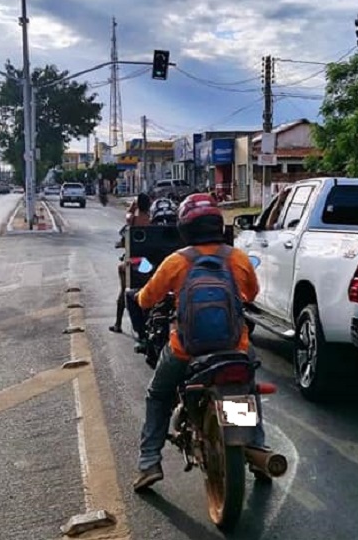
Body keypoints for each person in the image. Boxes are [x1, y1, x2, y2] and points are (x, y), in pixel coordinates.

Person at [132, 193, 263, 492]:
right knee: (246, 391)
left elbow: (146, 299)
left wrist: (140, 297)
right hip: (235, 348)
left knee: (158, 395)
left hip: (186, 350)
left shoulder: (177, 261)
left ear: (185, 229)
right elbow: (252, 294)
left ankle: (149, 462)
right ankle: (258, 450)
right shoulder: (238, 258)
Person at [110, 193, 152, 334]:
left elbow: (127, 216)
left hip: (136, 262)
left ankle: (118, 324)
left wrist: (132, 207)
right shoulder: (152, 220)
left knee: (123, 288)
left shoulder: (134, 219)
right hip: (149, 263)